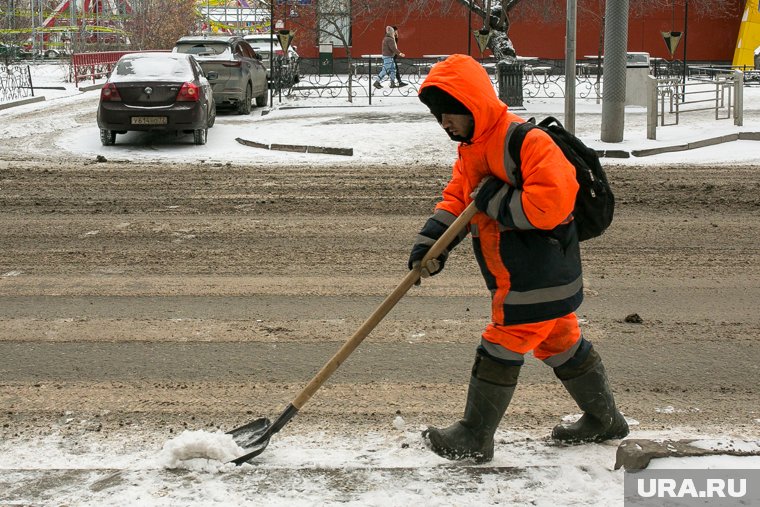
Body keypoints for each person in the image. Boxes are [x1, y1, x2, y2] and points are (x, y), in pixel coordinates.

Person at [409, 54, 628, 463]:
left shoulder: (524, 141)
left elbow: (552, 204)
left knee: (502, 342)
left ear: (472, 103)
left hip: (537, 271)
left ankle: (475, 435)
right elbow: (459, 199)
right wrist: (430, 244)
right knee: (560, 341)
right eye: (437, 117)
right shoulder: (473, 149)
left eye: (449, 113)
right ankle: (606, 419)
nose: (444, 124)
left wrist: (494, 200)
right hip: (520, 271)